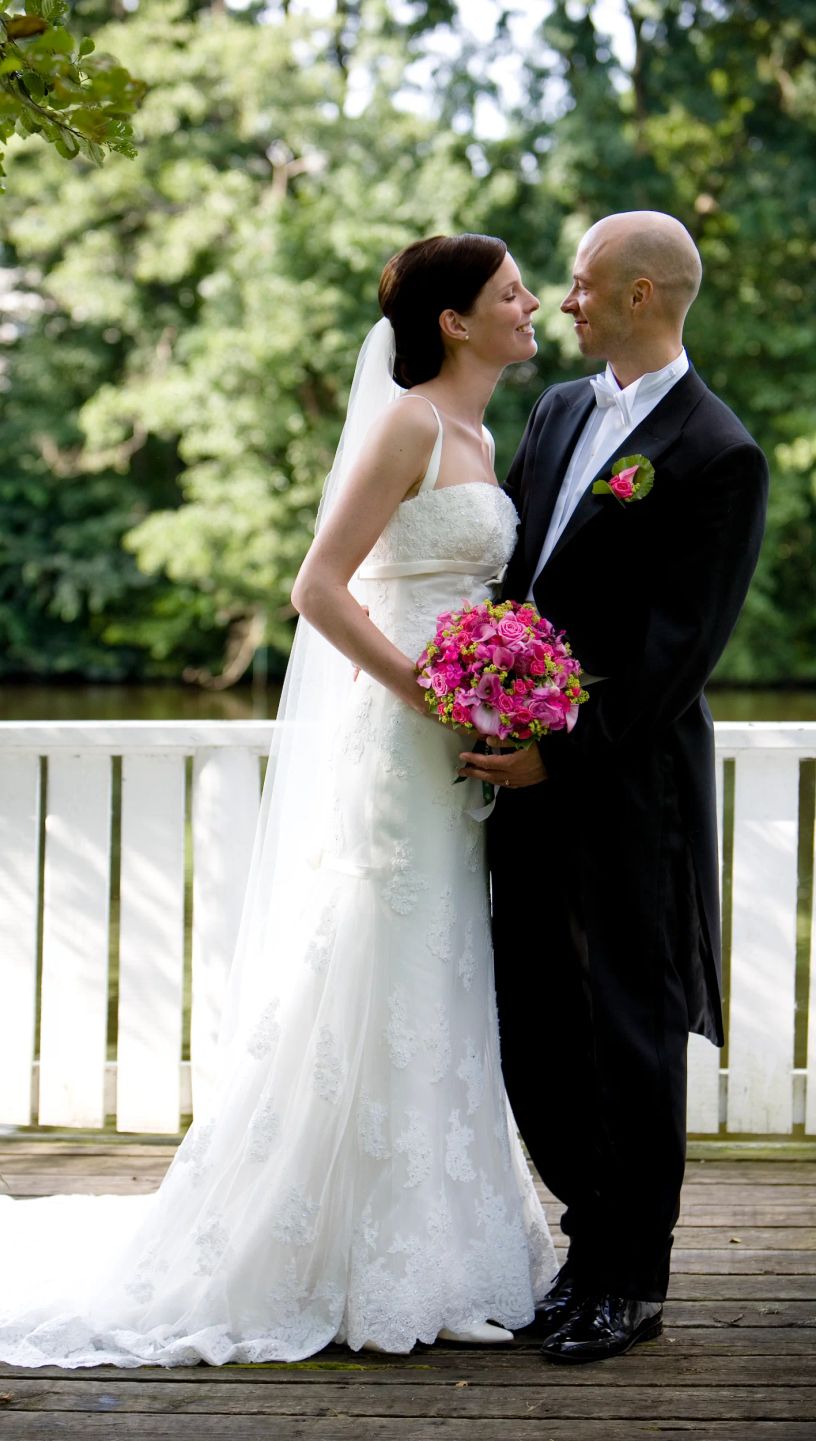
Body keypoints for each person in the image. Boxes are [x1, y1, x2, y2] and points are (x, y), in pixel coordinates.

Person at [0, 233, 557, 1367]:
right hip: (398, 733)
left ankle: (436, 1248)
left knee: (441, 966)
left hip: (458, 744)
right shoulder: (407, 423)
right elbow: (317, 587)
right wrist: (429, 688)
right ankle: (323, 1255)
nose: (531, 306)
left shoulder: (486, 434)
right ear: (454, 319)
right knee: (374, 958)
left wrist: (500, 685)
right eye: (510, 292)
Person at [459, 211, 769, 1364]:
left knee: (629, 1034)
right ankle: (585, 1247)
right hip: (523, 769)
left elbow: (676, 650)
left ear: (642, 296)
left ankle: (631, 1281)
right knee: (534, 1021)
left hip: (628, 785)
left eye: (583, 284)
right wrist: (489, 698)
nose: (563, 301)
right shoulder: (555, 411)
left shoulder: (718, 451)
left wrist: (564, 749)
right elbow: (522, 583)